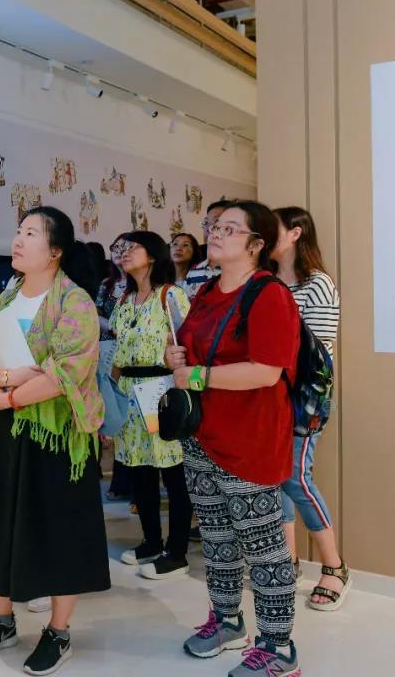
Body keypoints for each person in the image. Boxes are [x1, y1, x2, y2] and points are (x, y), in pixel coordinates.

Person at [0, 206, 108, 676]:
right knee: (1, 523)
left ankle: (58, 631)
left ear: (56, 250)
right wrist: (7, 380)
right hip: (10, 433)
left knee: (59, 531)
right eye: (18, 231)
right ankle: (2, 620)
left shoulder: (75, 302)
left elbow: (66, 372)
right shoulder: (6, 298)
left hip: (59, 438)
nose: (19, 240)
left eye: (31, 233)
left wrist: (9, 396)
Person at [166, 201, 302, 676]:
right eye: (214, 227)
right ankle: (227, 621)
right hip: (203, 435)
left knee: (263, 546)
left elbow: (266, 371)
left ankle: (279, 648)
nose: (216, 234)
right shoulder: (206, 291)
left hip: (250, 440)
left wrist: (197, 376)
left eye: (230, 228)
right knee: (217, 537)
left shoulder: (269, 295)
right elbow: (188, 348)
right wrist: (174, 355)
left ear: (257, 244)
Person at [274, 206, 349, 611]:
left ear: (295, 234)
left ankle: (334, 567)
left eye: (272, 228)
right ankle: (287, 561)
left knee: (296, 477)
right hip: (268, 392)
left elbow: (314, 352)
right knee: (276, 477)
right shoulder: (267, 281)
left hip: (305, 394)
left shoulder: (317, 284)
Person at [111, 231, 193, 580]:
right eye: (121, 248)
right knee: (139, 470)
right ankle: (151, 542)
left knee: (173, 472)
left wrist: (172, 359)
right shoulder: (124, 299)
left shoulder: (170, 295)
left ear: (153, 255)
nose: (124, 253)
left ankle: (176, 552)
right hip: (129, 392)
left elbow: (189, 342)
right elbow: (116, 352)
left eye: (133, 247)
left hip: (161, 390)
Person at [97, 232, 133, 504]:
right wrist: (112, 327)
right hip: (108, 348)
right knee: (112, 404)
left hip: (133, 353)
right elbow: (95, 313)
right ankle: (120, 481)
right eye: (116, 247)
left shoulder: (140, 286)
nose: (120, 252)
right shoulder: (107, 285)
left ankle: (131, 483)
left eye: (126, 247)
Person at [183, 199, 231, 300]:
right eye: (206, 223)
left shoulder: (239, 270)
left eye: (217, 222)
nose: (209, 229)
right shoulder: (194, 271)